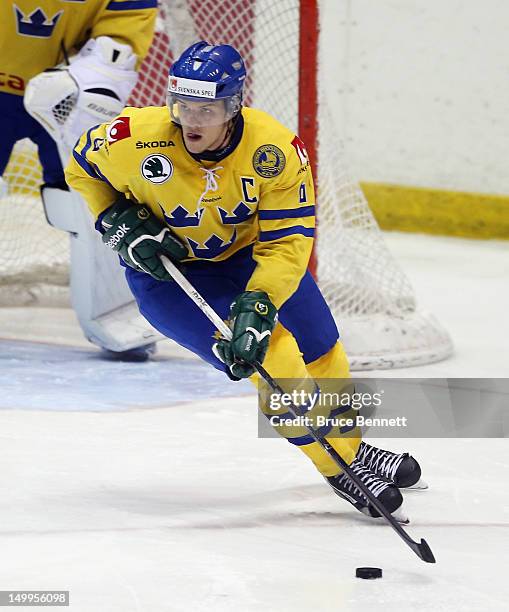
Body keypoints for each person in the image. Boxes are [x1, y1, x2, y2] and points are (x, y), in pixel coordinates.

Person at [65, 41, 426, 520]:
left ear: (233, 106)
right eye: (183, 105)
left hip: (250, 260)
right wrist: (113, 216)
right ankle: (339, 467)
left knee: (322, 345)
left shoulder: (273, 150)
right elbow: (81, 168)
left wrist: (260, 298)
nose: (191, 119)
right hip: (173, 280)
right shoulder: (133, 136)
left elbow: (288, 240)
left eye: (207, 108)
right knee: (272, 358)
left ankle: (351, 447)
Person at [0, 0, 160, 361]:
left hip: (67, 93)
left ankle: (117, 311)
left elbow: (121, 39)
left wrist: (86, 77)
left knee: (91, 203)